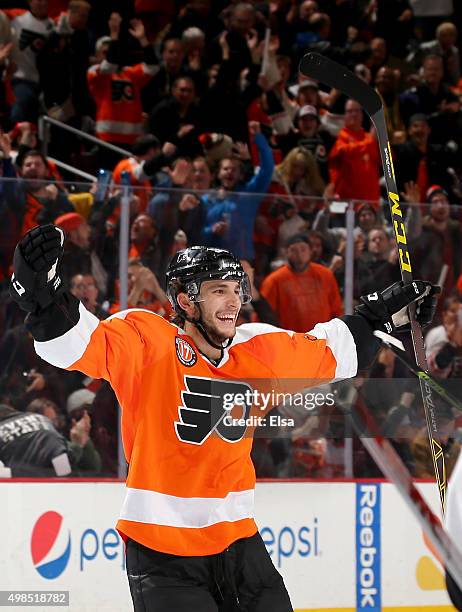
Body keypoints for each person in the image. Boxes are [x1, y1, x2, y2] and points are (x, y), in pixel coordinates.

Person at [8, 224, 438, 611]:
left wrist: (387, 317)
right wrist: (40, 292)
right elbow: (77, 344)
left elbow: (335, 348)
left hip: (239, 544)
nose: (234, 300)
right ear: (184, 300)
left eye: (237, 288)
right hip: (162, 552)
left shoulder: (259, 350)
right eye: (219, 290)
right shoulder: (149, 342)